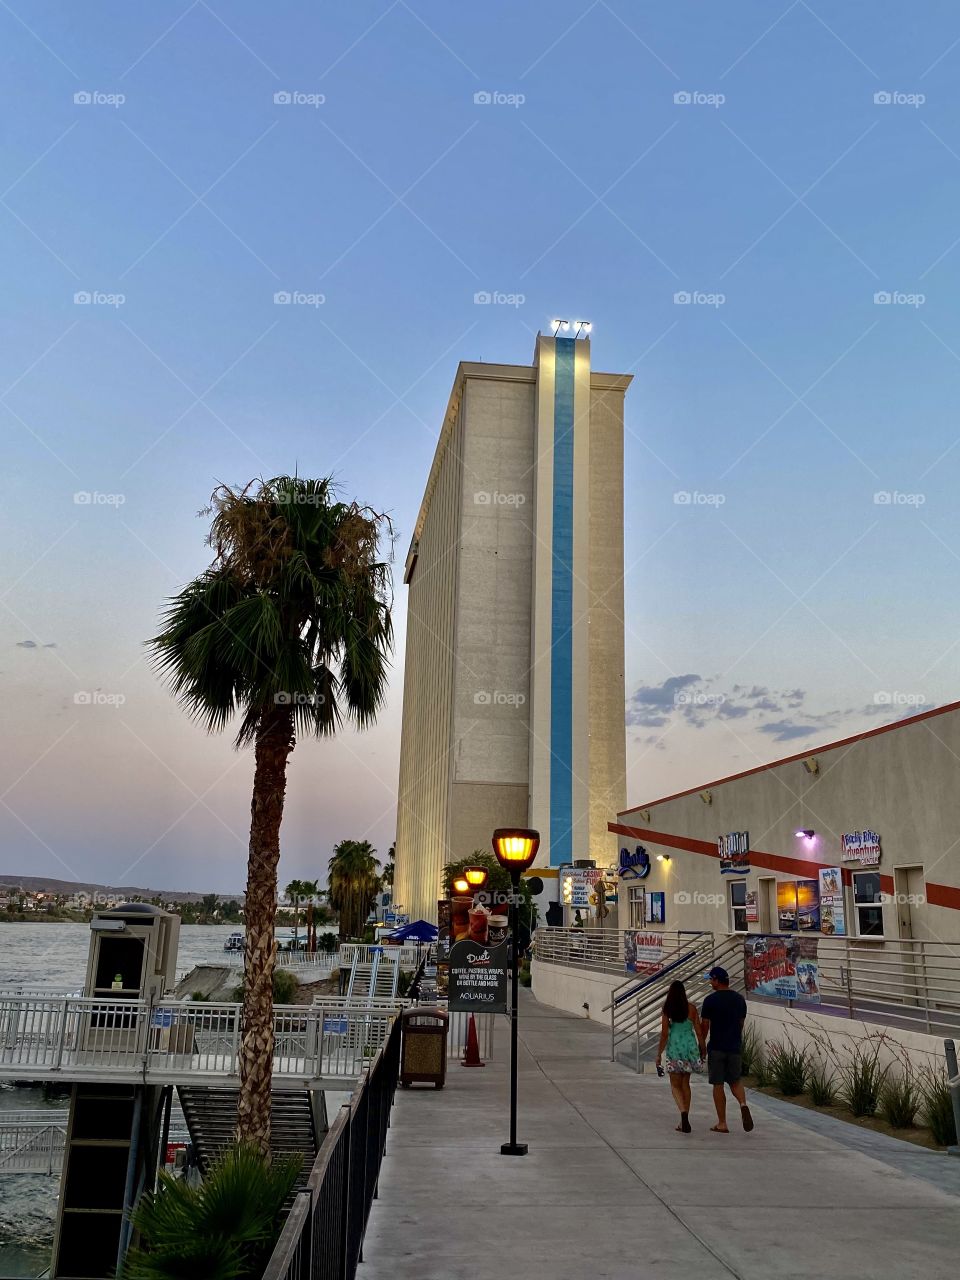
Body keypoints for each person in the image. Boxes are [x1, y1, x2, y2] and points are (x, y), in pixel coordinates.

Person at [699, 966, 754, 1134]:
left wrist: (701, 1046)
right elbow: (741, 1024)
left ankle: (722, 1123)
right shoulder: (739, 1000)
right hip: (734, 1047)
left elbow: (705, 1026)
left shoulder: (710, 1000)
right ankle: (743, 1105)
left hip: (717, 1047)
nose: (710, 982)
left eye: (711, 979)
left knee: (718, 1084)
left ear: (717, 980)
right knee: (735, 1080)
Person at [655, 979, 705, 1133]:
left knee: (675, 1085)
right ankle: (685, 1120)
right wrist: (703, 1048)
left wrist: (659, 1054)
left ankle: (683, 1113)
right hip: (689, 1049)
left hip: (675, 1049)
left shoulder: (668, 1009)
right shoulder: (691, 1008)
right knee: (685, 1085)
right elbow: (699, 1031)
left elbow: (664, 1034)